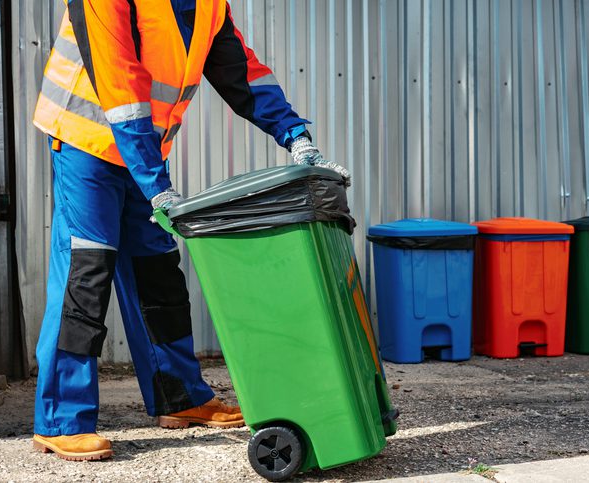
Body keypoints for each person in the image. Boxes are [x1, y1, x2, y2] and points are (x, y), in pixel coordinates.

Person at [30, 0, 350, 461]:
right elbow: (119, 83)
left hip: (141, 150)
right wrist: (156, 185)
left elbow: (241, 71)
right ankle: (62, 420)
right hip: (86, 140)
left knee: (158, 267)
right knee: (88, 267)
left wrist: (294, 133)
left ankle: (179, 398)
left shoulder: (208, 4)